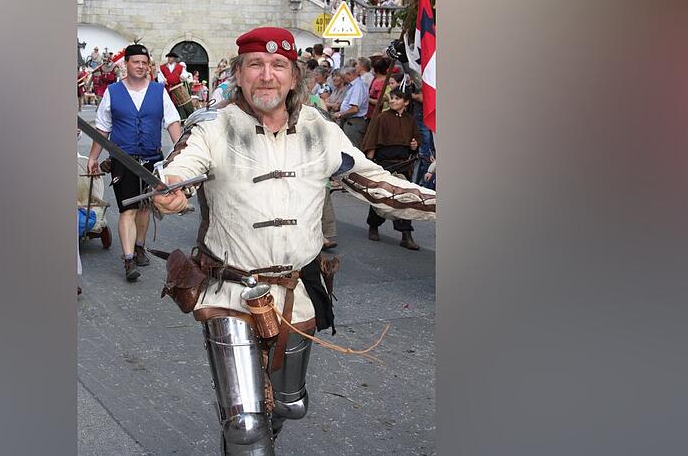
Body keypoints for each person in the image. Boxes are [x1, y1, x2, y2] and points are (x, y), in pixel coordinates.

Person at [151, 26, 435, 455]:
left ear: (294, 76)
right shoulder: (213, 127)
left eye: (278, 65)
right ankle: (244, 439)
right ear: (239, 74)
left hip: (293, 291)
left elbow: (375, 184)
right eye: (255, 65)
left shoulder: (320, 130)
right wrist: (170, 190)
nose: (267, 75)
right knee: (246, 425)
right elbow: (180, 168)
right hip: (230, 289)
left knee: (290, 406)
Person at [86, 44, 183, 282]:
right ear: (126, 64)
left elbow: (172, 124)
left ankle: (140, 246)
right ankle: (129, 259)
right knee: (127, 209)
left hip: (152, 159)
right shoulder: (112, 91)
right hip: (123, 160)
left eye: (144, 63)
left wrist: (182, 155)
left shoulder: (159, 91)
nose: (141, 66)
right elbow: (103, 127)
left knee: (144, 207)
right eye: (136, 62)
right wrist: (93, 157)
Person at [360, 88, 421, 250]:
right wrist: (370, 163)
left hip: (403, 164)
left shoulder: (410, 120)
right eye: (392, 98)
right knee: (380, 197)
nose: (393, 101)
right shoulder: (382, 117)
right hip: (384, 164)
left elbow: (415, 142)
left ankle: (406, 235)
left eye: (397, 99)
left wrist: (414, 145)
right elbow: (372, 140)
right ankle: (374, 225)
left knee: (405, 199)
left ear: (406, 102)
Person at [331, 66, 369, 147]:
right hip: (349, 121)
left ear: (349, 74)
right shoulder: (353, 86)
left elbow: (354, 109)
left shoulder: (358, 86)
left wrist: (340, 114)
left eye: (343, 77)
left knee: (352, 147)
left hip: (354, 122)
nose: (344, 80)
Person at [157, 51, 195, 119]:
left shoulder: (180, 67)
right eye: (168, 57)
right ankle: (166, 118)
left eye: (170, 57)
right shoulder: (162, 67)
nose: (169, 58)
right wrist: (162, 81)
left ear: (174, 58)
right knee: (166, 103)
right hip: (166, 88)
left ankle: (179, 117)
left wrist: (183, 77)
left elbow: (185, 74)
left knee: (178, 104)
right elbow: (160, 77)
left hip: (177, 88)